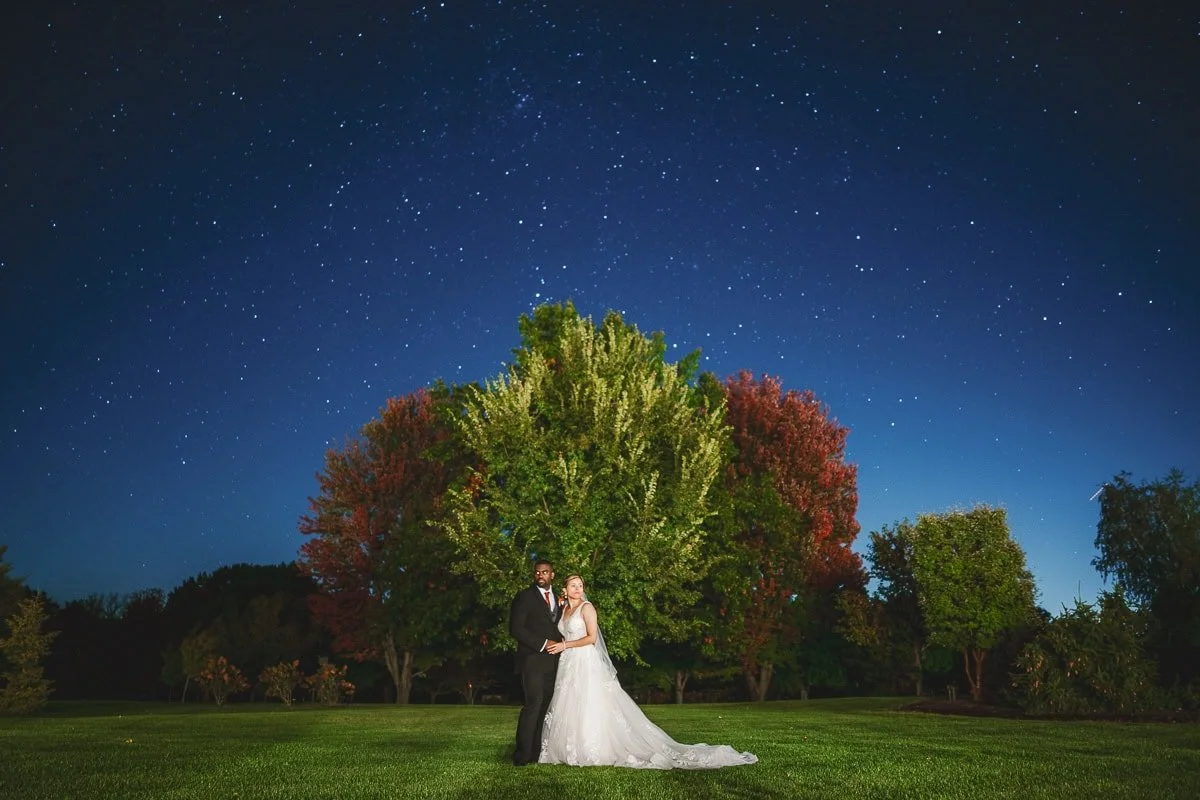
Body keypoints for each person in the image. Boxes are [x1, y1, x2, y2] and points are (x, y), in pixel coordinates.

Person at [539, 575, 757, 769]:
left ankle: (591, 749)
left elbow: (591, 638)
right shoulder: (564, 609)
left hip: (585, 660)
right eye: (573, 585)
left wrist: (565, 646)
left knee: (589, 701)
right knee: (570, 701)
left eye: (580, 585)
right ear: (565, 589)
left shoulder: (587, 608)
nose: (578, 588)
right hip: (568, 663)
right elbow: (561, 629)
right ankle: (569, 749)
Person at [508, 559, 564, 766]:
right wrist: (542, 643)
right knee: (533, 704)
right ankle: (521, 755)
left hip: (554, 661)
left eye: (545, 572)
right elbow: (516, 629)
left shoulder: (560, 598)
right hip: (532, 659)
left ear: (552, 575)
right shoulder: (525, 597)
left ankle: (536, 753)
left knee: (545, 708)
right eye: (538, 572)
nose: (541, 575)